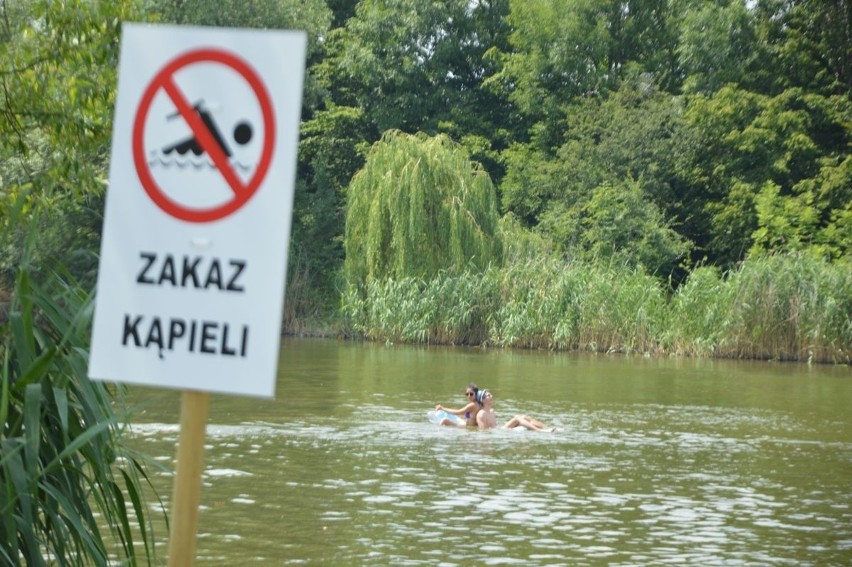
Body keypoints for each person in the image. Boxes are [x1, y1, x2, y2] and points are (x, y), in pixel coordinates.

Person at [475, 389, 556, 432]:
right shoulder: (481, 414)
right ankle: (540, 431)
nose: (492, 396)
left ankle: (547, 427)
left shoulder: (491, 411)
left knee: (524, 417)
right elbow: (483, 431)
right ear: (483, 400)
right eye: (488, 395)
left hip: (499, 428)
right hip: (498, 431)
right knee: (517, 418)